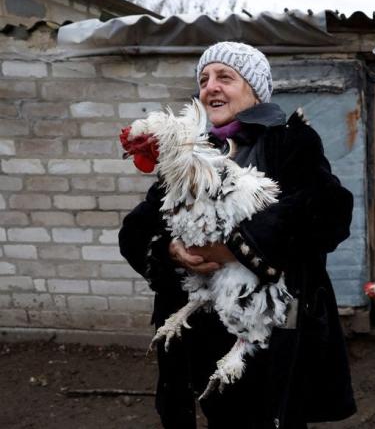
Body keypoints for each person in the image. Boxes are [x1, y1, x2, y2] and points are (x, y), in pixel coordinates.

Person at [119, 41, 356, 429]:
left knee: (273, 415)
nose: (211, 86)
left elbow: (329, 210)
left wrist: (235, 247)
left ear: (255, 89)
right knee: (221, 414)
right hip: (205, 327)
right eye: (204, 78)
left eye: (225, 77)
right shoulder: (190, 154)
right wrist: (173, 250)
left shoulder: (289, 142)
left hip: (271, 326)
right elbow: (137, 230)